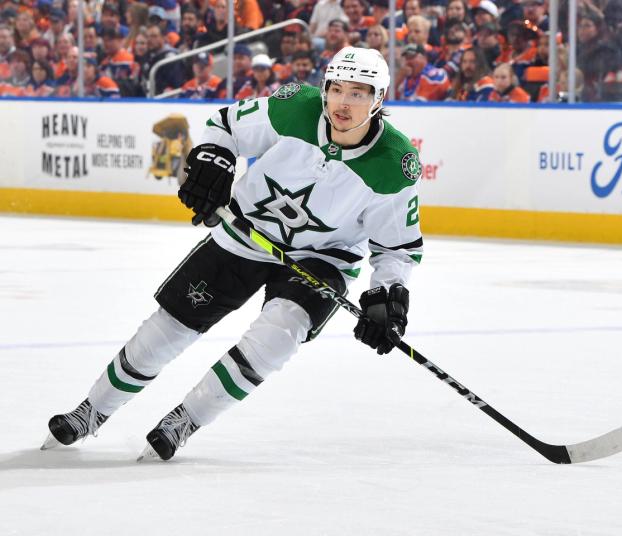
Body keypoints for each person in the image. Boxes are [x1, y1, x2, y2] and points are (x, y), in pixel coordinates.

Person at [42, 46, 423, 462]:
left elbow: (397, 247)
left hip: (324, 257)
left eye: (358, 93)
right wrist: (214, 156)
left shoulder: (394, 162)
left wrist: (388, 295)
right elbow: (225, 125)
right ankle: (91, 410)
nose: (342, 103)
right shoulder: (295, 106)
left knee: (276, 337)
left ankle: (186, 418)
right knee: (170, 328)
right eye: (335, 89)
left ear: (379, 99)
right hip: (247, 232)